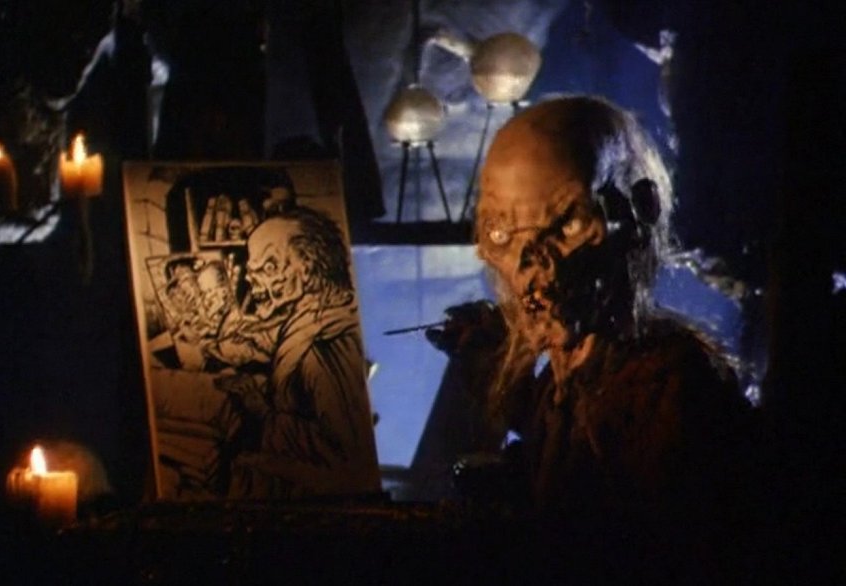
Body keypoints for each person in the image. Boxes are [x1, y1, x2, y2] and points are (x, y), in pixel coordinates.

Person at [440, 95, 757, 582]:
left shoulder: (669, 389)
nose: (529, 266)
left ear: (634, 216)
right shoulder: (572, 376)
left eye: (568, 224)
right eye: (501, 232)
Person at [216, 207, 381, 498]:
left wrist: (261, 410)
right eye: (252, 269)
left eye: (268, 268)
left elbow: (343, 452)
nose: (250, 279)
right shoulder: (316, 319)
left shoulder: (324, 347)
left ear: (306, 269)